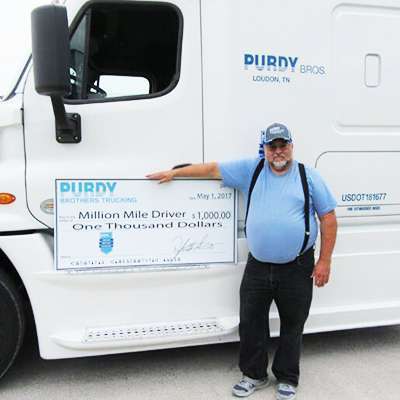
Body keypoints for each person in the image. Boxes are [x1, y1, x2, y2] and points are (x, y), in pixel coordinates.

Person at [147, 123, 337, 400]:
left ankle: (287, 377)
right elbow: (211, 169)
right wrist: (175, 173)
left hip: (298, 266)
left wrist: (325, 261)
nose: (278, 151)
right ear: (265, 149)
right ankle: (254, 375)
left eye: (283, 145)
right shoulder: (253, 169)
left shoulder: (309, 176)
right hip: (258, 265)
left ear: (292, 146)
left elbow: (328, 218)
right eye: (272, 146)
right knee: (251, 322)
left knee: (293, 324)